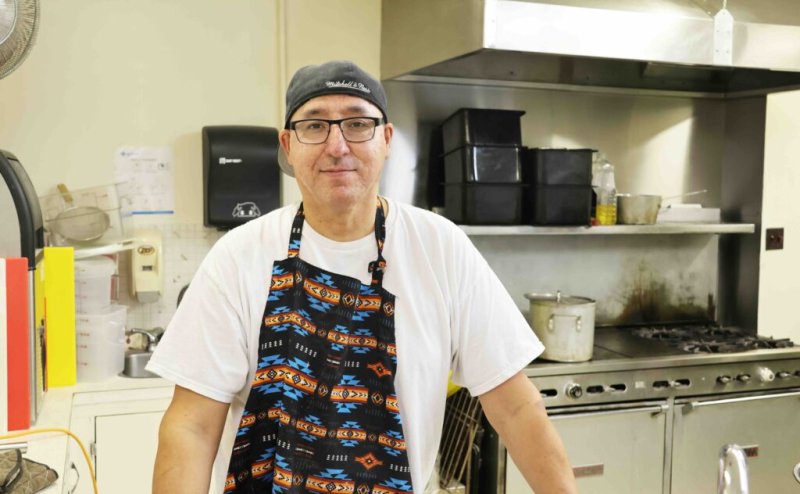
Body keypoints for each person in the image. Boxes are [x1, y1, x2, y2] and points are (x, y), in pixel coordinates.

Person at [147, 60, 577, 494]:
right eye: (314, 126)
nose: (337, 145)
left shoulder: (440, 248)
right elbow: (192, 427)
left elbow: (516, 408)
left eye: (357, 123)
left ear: (386, 139)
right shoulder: (238, 257)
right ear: (288, 146)